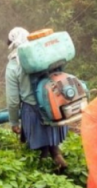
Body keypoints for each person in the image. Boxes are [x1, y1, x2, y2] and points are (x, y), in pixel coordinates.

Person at [5, 27, 67, 168]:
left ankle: (42, 168)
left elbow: (13, 100)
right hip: (55, 103)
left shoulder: (13, 65)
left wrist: (14, 122)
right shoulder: (43, 53)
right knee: (52, 143)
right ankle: (56, 155)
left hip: (33, 111)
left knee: (39, 152)